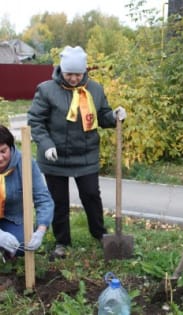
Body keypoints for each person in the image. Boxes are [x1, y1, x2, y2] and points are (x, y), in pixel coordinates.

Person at [27, 46, 127, 260]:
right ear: (61, 70)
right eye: (69, 74)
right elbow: (35, 121)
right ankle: (62, 241)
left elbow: (102, 116)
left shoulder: (95, 89)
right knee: (58, 200)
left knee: (91, 195)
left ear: (85, 71)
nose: (73, 78)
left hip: (86, 155)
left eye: (78, 74)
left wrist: (115, 115)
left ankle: (99, 233)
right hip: (55, 157)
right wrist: (46, 144)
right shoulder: (46, 90)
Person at [0, 124, 53, 259]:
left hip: (12, 219)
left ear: (11, 147)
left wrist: (40, 230)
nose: (0, 158)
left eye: (3, 151)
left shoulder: (25, 164)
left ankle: (8, 254)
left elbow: (43, 199)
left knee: (23, 244)